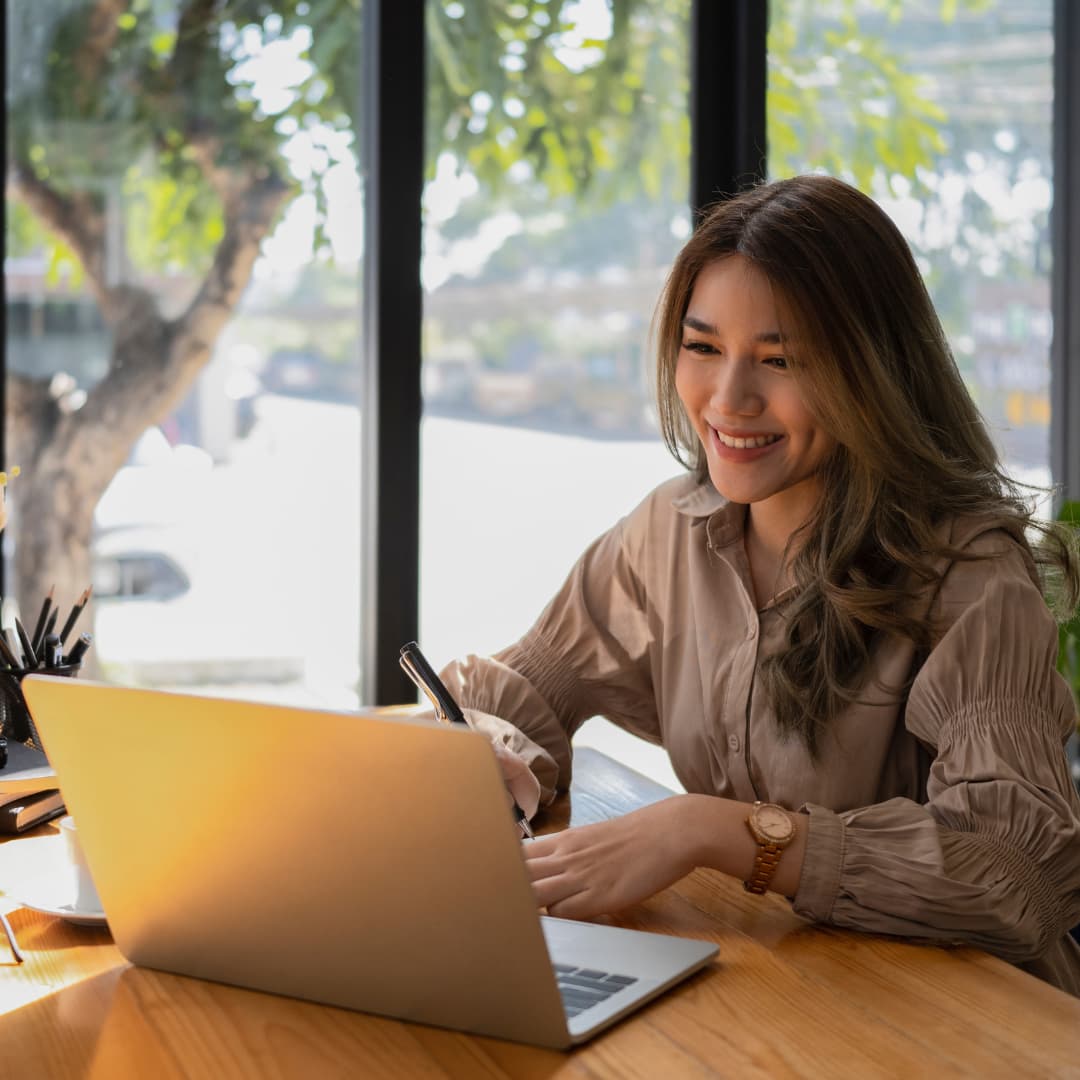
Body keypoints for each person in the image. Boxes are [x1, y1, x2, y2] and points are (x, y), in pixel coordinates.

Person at [437, 175, 1080, 996]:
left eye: (780, 360)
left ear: (870, 371)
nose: (729, 399)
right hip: (793, 990)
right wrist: (489, 759)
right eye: (703, 348)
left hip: (971, 1023)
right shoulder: (667, 531)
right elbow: (524, 687)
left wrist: (719, 831)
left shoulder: (967, 574)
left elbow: (1016, 873)